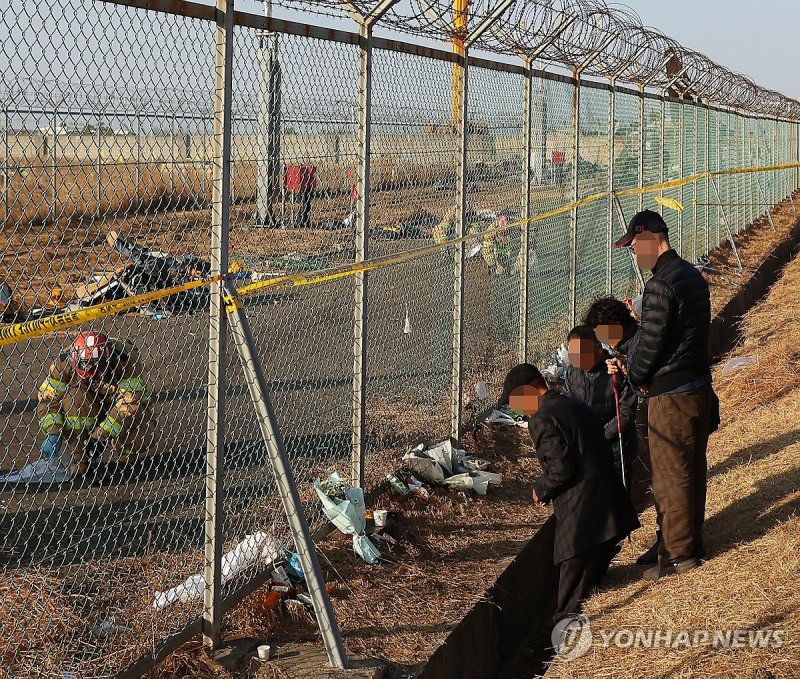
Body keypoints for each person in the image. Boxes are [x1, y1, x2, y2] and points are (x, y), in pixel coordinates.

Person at [610, 209, 717, 581]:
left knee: (671, 477)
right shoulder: (692, 276)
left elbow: (652, 345)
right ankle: (685, 543)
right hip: (697, 386)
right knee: (691, 470)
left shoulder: (660, 285)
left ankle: (678, 557)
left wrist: (635, 374)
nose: (633, 253)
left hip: (670, 395)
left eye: (633, 245)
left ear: (649, 238)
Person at [499, 364, 639, 624]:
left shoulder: (541, 417)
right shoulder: (571, 404)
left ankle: (563, 631)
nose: (517, 410)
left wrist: (540, 488)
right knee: (591, 567)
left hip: (582, 507)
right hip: (609, 500)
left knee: (571, 570)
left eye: (515, 402)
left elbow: (561, 468)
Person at [36, 331, 149, 477]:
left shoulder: (126, 357)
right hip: (86, 404)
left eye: (98, 366)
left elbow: (130, 401)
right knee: (74, 399)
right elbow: (48, 399)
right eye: (86, 367)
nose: (92, 372)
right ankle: (81, 458)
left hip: (115, 403)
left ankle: (127, 456)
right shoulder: (63, 362)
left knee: (138, 423)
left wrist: (100, 435)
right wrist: (53, 432)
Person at [564, 325, 637, 487]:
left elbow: (626, 414)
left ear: (598, 348)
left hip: (615, 451)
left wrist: (598, 436)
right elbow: (569, 404)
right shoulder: (572, 372)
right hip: (585, 451)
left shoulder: (617, 370)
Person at [107, 230, 210, 314]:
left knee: (143, 258)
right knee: (144, 257)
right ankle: (119, 243)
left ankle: (118, 243)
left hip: (165, 271)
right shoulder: (184, 265)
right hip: (165, 266)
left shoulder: (194, 281)